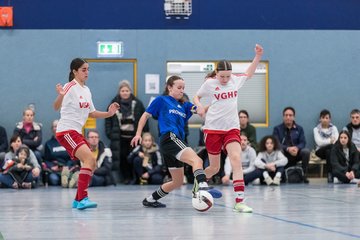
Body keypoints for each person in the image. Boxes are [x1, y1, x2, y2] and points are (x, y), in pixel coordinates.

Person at [193, 44, 263, 213]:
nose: (225, 79)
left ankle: (239, 201)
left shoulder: (235, 80)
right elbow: (196, 96)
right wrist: (200, 107)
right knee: (214, 168)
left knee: (236, 160)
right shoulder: (210, 84)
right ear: (216, 73)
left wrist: (258, 57)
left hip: (232, 128)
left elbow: (249, 73)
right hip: (213, 129)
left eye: (227, 76)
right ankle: (198, 183)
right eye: (222, 76)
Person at [131, 75, 218, 208]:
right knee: (197, 161)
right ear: (169, 87)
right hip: (170, 138)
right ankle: (203, 186)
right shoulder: (161, 100)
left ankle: (150, 199)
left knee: (177, 182)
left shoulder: (185, 105)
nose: (182, 90)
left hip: (175, 142)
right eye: (179, 87)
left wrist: (214, 103)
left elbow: (198, 109)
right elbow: (145, 115)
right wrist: (138, 134)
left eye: (183, 88)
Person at [53, 58, 119, 210]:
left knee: (92, 163)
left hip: (76, 132)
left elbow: (92, 113)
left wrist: (109, 113)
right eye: (83, 69)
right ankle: (82, 198)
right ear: (74, 71)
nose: (87, 72)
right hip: (66, 131)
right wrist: (61, 95)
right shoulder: (69, 87)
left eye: (88, 69)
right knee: (89, 159)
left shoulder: (86, 90)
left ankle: (78, 200)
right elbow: (56, 107)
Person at [105, 80, 148, 184]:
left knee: (134, 158)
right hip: (120, 139)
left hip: (134, 138)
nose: (125, 92)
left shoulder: (137, 103)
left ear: (130, 91)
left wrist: (144, 134)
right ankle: (125, 178)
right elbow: (108, 120)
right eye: (122, 90)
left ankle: (135, 178)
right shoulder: (113, 104)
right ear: (119, 92)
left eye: (127, 90)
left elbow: (144, 119)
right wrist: (110, 134)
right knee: (122, 159)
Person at [273, 106, 310, 183]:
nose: (288, 117)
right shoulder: (277, 129)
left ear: (294, 117)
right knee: (279, 151)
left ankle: (304, 175)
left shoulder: (299, 129)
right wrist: (288, 149)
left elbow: (303, 142)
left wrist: (297, 148)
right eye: (286, 115)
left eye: (290, 115)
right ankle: (281, 175)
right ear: (283, 117)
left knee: (306, 151)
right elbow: (276, 143)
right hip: (284, 153)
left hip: (296, 153)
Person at [43, 120, 73, 186]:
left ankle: (67, 179)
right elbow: (46, 160)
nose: (56, 128)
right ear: (52, 129)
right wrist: (52, 167)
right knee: (54, 180)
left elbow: (72, 158)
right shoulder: (48, 144)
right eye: (54, 126)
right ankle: (65, 181)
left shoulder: (68, 142)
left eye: (58, 126)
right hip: (55, 170)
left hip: (67, 168)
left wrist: (66, 166)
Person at [313, 109, 339, 183]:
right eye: (323, 118)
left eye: (327, 118)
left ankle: (330, 174)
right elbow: (319, 143)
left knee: (328, 152)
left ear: (330, 119)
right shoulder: (316, 129)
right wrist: (330, 141)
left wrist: (327, 142)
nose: (324, 120)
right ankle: (333, 174)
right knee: (331, 147)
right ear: (320, 119)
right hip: (320, 151)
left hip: (331, 152)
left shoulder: (334, 128)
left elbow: (336, 140)